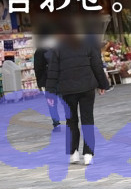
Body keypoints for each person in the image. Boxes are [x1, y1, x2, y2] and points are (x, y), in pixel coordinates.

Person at [45, 33, 110, 165]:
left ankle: (73, 153)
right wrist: (102, 84)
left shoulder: (58, 48)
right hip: (87, 87)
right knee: (87, 119)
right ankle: (88, 154)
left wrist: (50, 92)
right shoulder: (88, 44)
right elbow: (97, 65)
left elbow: (52, 71)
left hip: (67, 90)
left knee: (71, 121)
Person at [34, 37, 62, 131]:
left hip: (48, 82)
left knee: (52, 103)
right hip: (61, 79)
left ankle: (56, 123)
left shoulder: (40, 50)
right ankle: (71, 121)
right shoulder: (60, 47)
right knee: (66, 101)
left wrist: (40, 84)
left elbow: (38, 69)